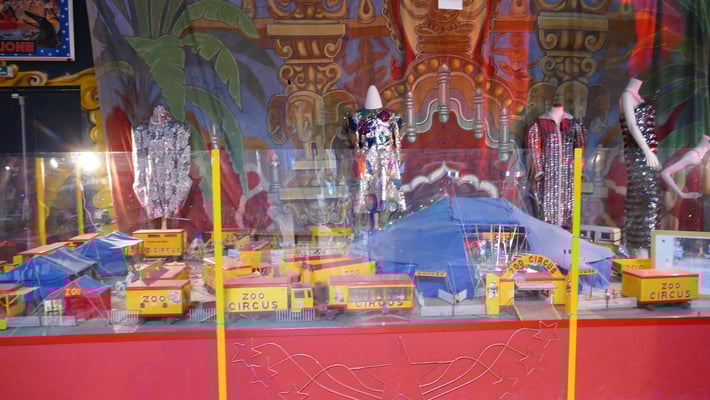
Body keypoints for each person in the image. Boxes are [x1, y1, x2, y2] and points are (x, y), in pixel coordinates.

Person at [619, 77, 662, 256]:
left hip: (648, 157)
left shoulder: (638, 97)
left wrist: (651, 153)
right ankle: (638, 250)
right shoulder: (626, 95)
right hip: (638, 156)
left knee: (650, 202)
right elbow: (631, 125)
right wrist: (646, 151)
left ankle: (644, 250)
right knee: (643, 200)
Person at [525, 103, 586, 227]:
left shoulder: (575, 124)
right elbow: (533, 147)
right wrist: (538, 169)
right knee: (546, 209)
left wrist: (578, 169)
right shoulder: (539, 124)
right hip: (547, 176)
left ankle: (567, 232)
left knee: (569, 207)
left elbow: (580, 147)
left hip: (568, 175)